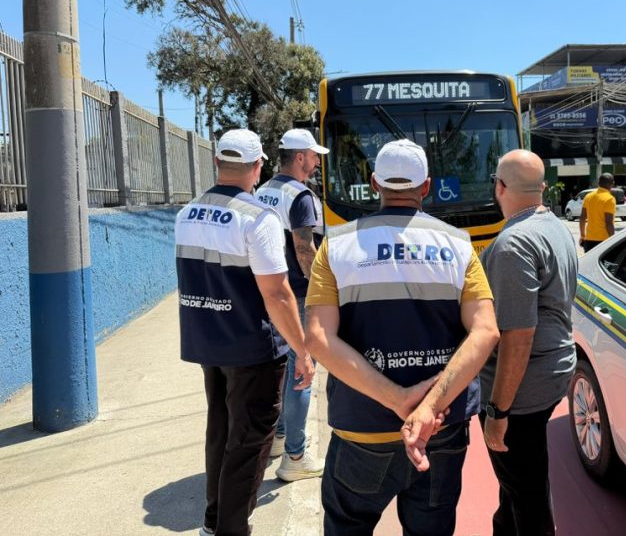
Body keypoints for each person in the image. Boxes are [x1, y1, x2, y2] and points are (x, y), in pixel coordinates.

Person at [304, 139, 499, 536]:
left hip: (361, 428)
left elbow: (318, 338)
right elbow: (486, 330)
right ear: (426, 186)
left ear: (374, 184)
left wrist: (397, 399)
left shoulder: (335, 246)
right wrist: (426, 408)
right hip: (439, 430)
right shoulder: (459, 246)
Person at [175, 129, 313, 536]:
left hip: (207, 342)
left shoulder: (186, 213)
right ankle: (231, 528)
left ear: (217, 164)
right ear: (257, 168)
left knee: (220, 430)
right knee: (250, 440)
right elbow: (278, 294)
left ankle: (213, 522)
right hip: (251, 347)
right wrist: (302, 351)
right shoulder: (258, 219)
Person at [479, 150, 578, 536]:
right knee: (520, 479)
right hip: (553, 370)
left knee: (527, 491)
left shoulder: (511, 245)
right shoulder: (554, 226)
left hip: (521, 389)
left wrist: (498, 411)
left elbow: (517, 337)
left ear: (500, 187)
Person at [255, 128, 329, 482]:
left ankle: (280, 437)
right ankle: (295, 457)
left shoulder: (263, 190)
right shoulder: (300, 196)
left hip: (268, 290)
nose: (316, 162)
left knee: (283, 366)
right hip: (297, 293)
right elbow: (304, 250)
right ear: (300, 157)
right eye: (314, 156)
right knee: (303, 368)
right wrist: (325, 290)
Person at [579, 173, 616, 252]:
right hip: (604, 240)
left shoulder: (588, 196)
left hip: (588, 240)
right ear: (612, 184)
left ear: (599, 183)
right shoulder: (609, 199)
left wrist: (582, 235)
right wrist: (614, 239)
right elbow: (608, 222)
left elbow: (582, 217)